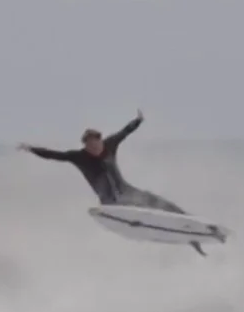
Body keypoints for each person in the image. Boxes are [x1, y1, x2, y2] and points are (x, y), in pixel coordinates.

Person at [18, 109, 209, 256]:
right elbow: (54, 155)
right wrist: (31, 149)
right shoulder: (78, 157)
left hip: (126, 191)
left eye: (96, 143)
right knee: (134, 210)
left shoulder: (110, 144)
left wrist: (138, 120)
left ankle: (194, 227)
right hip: (110, 201)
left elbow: (125, 132)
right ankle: (139, 224)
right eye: (90, 145)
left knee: (160, 202)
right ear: (85, 145)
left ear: (100, 140)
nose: (94, 147)